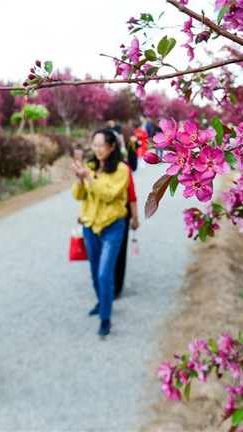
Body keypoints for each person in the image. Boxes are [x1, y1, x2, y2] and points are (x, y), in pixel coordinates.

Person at [71, 128, 129, 337]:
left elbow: (108, 195)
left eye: (101, 145)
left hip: (112, 227)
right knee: (95, 272)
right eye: (94, 145)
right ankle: (102, 302)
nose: (97, 149)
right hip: (90, 227)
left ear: (112, 146)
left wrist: (89, 177)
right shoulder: (91, 166)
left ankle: (105, 318)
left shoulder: (121, 170)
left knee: (105, 274)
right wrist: (80, 179)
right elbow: (78, 195)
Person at [114, 165, 139, 299]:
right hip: (100, 217)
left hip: (121, 217)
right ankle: (108, 284)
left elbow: (131, 195)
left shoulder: (124, 168)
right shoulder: (95, 167)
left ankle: (116, 287)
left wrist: (135, 217)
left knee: (120, 252)